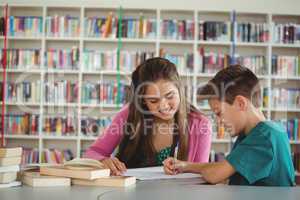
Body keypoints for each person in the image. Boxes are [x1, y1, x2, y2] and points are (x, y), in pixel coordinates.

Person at [164, 65, 295, 186]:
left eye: (219, 113)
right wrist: (184, 165)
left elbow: (215, 175)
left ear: (240, 103)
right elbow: (225, 168)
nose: (218, 121)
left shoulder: (264, 137)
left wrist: (188, 166)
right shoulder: (259, 133)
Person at [84, 57, 212, 175]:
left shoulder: (200, 124)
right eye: (153, 101)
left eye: (169, 96)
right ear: (143, 101)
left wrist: (186, 167)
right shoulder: (129, 115)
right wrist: (102, 160)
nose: (163, 106)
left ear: (180, 89)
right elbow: (92, 153)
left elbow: (202, 173)